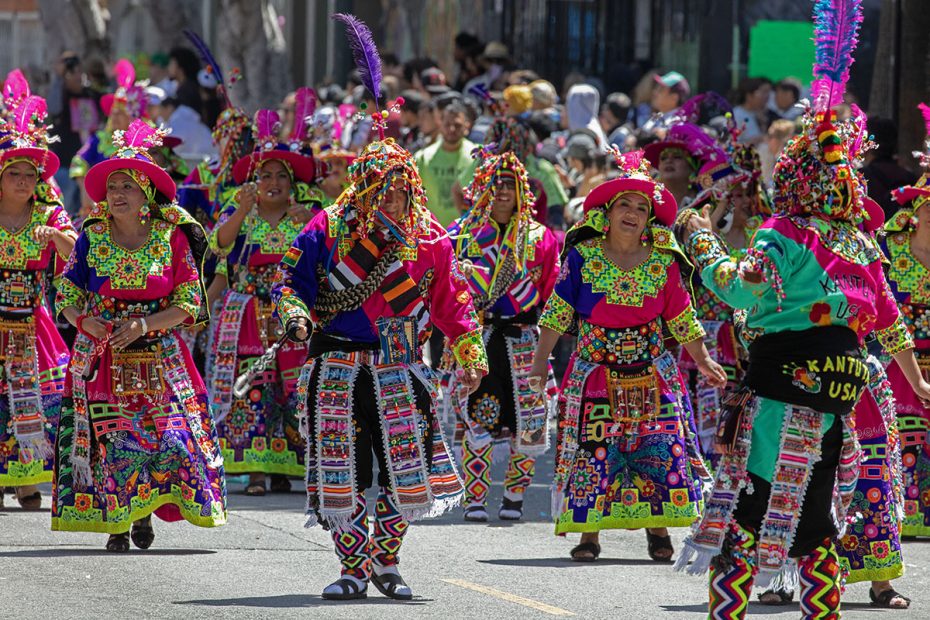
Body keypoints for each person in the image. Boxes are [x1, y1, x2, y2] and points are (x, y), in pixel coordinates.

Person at [676, 92, 930, 619]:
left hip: (778, 400)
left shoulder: (784, 234)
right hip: (836, 404)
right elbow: (888, 319)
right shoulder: (860, 245)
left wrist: (700, 241)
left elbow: (739, 290)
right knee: (816, 527)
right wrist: (918, 381)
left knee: (746, 519)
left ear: (792, 177)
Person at [271, 133, 488, 599]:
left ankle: (386, 563)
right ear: (362, 188)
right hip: (336, 362)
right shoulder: (326, 228)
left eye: (398, 188)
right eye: (379, 188)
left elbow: (454, 304)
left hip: (401, 364)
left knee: (404, 473)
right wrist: (295, 316)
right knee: (339, 469)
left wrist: (471, 354)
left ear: (412, 188)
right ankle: (352, 567)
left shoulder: (430, 236)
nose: (390, 197)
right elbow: (291, 283)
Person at [530, 149, 725, 562]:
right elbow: (557, 312)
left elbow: (681, 316)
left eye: (642, 207)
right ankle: (589, 534)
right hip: (595, 372)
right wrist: (536, 365)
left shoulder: (663, 262)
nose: (634, 213)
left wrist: (704, 359)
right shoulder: (582, 257)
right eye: (625, 205)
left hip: (652, 371)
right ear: (607, 211)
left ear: (650, 219)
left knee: (657, 446)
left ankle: (658, 528)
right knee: (595, 451)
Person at [52, 119, 226, 550]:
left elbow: (188, 303)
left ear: (147, 193)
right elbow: (66, 293)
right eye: (112, 187)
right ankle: (117, 521)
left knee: (162, 437)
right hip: (105, 353)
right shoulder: (91, 239)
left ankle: (144, 510)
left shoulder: (172, 238)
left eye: (127, 185)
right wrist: (82, 321)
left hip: (161, 354)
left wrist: (145, 325)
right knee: (111, 437)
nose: (117, 194)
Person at [207, 109, 326, 496]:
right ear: (253, 182)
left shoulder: (308, 217)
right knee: (253, 385)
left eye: (281, 176)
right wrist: (242, 209)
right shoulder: (239, 213)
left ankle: (287, 466)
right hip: (246, 316)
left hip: (294, 315)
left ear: (292, 184)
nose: (273, 183)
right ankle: (254, 469)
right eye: (265, 175)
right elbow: (219, 247)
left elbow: (328, 258)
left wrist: (311, 219)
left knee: (293, 387)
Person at [445, 149, 560, 522]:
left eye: (510, 184)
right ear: (480, 188)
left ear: (523, 191)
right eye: (495, 184)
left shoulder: (541, 238)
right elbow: (446, 290)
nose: (503, 192)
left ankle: (513, 499)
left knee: (527, 423)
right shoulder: (461, 235)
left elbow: (551, 290)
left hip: (525, 338)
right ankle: (475, 499)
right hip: (479, 337)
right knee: (476, 420)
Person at [0, 94, 76, 510]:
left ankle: (28, 482)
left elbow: (79, 253)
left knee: (42, 400)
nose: (24, 181)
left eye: (30, 174)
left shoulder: (50, 214)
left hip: (33, 323)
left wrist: (56, 238)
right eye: (15, 173)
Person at [46, 53, 101, 216]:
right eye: (72, 72)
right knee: (65, 212)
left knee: (88, 213)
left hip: (88, 168)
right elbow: (53, 108)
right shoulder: (61, 95)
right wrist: (59, 77)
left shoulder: (90, 95)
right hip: (65, 165)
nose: (76, 76)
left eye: (79, 72)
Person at [414, 99, 477, 226]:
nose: (452, 129)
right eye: (447, 124)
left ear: (467, 125)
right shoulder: (423, 157)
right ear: (440, 123)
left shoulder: (476, 156)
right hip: (434, 235)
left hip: (466, 234)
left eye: (457, 125)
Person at [643, 122, 719, 210]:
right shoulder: (646, 203)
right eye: (663, 158)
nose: (668, 161)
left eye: (677, 157)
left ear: (692, 168)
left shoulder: (707, 203)